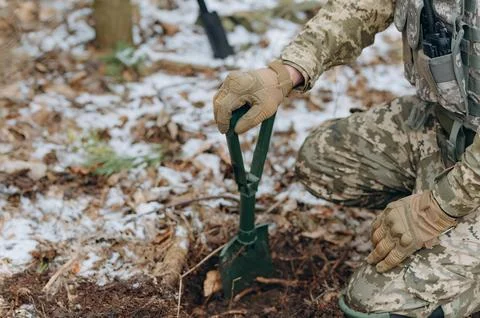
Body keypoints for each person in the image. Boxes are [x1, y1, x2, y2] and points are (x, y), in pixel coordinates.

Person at [213, 0, 480, 317]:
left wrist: (438, 207)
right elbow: (365, 5)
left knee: (374, 304)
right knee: (324, 160)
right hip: (448, 126)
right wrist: (288, 70)